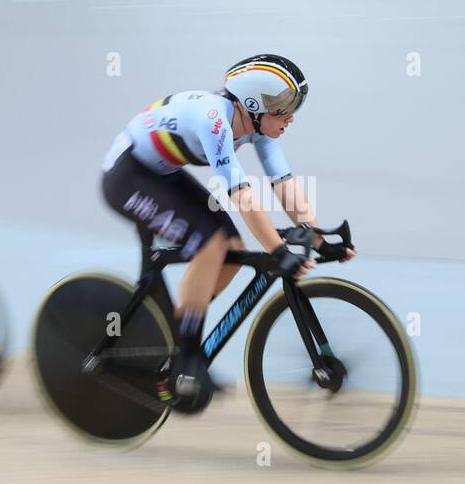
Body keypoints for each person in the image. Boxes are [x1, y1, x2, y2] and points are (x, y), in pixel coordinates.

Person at [100, 54, 354, 405]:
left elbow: (284, 184)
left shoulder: (257, 128)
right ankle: (186, 356)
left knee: (230, 249)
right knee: (210, 245)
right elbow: (241, 194)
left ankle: (176, 336)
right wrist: (278, 252)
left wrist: (318, 239)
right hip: (126, 176)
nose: (291, 117)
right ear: (253, 104)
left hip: (160, 174)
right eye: (283, 108)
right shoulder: (215, 120)